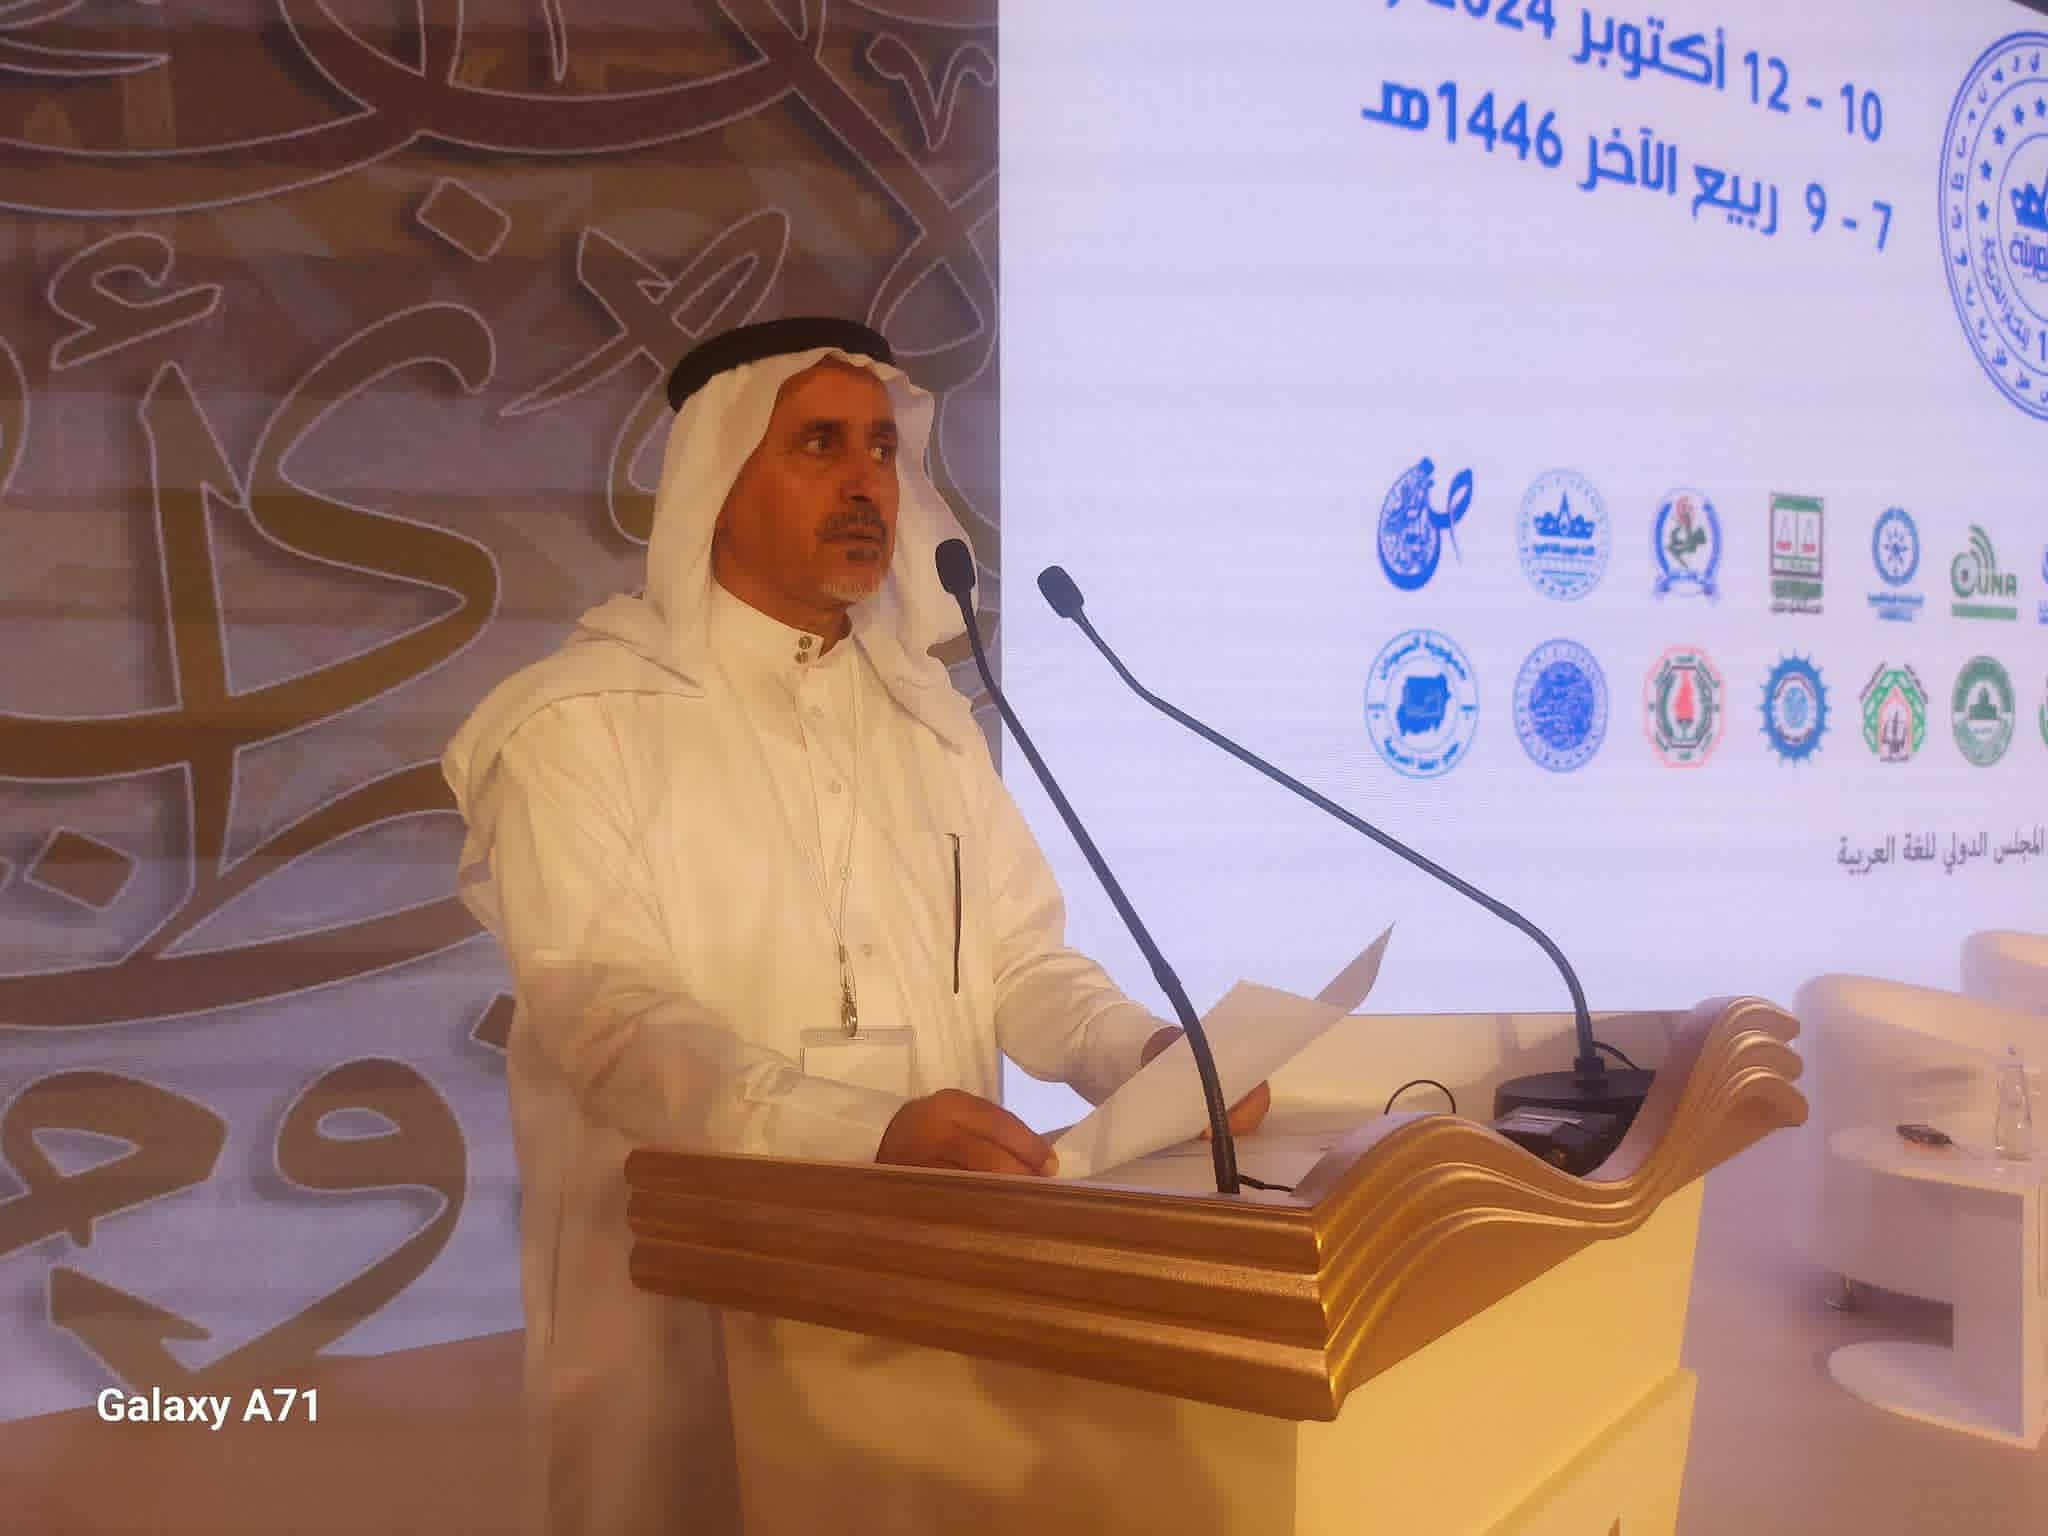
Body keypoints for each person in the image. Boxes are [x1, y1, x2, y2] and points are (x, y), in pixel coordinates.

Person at [442, 317, 1268, 1536]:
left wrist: (1142, 1059)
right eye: (818, 445)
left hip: (931, 1307)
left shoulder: (925, 722)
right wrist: (862, 1134)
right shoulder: (579, 725)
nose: (865, 483)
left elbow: (1016, 962)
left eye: (881, 448)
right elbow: (606, 1017)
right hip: (688, 1323)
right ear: (716, 484)